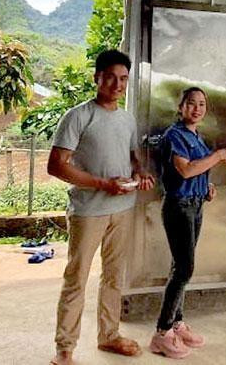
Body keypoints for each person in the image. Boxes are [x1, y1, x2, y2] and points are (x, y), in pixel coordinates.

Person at [47, 49, 155, 365]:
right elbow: (56, 166)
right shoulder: (78, 116)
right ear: (97, 78)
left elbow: (134, 157)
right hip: (87, 211)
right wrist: (102, 184)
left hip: (123, 207)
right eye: (111, 77)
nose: (117, 84)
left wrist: (141, 173)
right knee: (76, 278)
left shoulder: (127, 118)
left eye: (123, 79)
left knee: (113, 276)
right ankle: (64, 349)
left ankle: (109, 336)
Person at [149, 87, 226, 359]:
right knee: (184, 268)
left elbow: (199, 169)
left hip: (195, 206)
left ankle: (176, 323)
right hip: (178, 207)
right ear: (181, 106)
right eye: (191, 103)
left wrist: (206, 187)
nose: (197, 109)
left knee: (179, 266)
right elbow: (185, 169)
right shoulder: (175, 135)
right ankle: (161, 333)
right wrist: (218, 156)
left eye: (202, 105)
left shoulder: (197, 137)